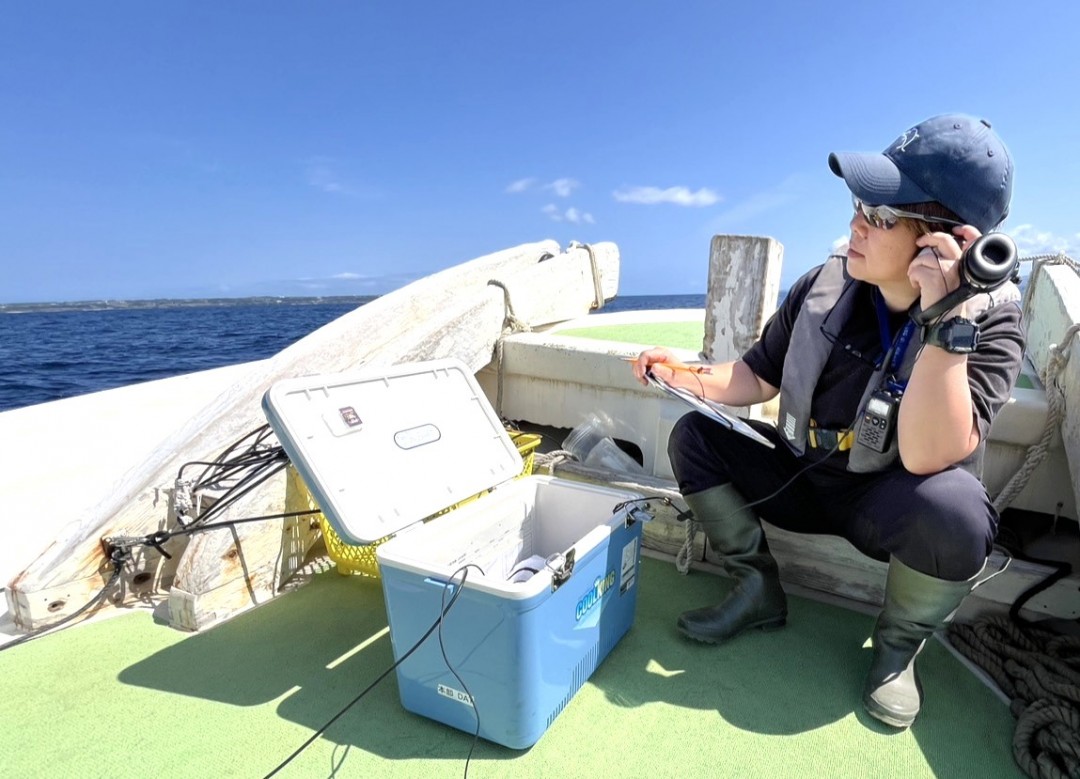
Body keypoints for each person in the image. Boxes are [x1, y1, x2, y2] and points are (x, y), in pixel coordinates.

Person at [631, 114, 1025, 729]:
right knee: (696, 436)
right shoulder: (824, 284)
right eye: (859, 205)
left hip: (885, 505)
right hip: (802, 476)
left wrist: (945, 320)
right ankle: (755, 588)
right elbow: (754, 376)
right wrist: (681, 373)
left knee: (958, 513)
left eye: (881, 215)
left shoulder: (989, 321)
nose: (856, 225)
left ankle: (897, 648)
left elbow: (930, 457)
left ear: (944, 241)